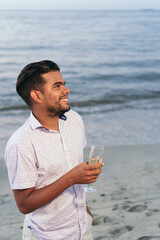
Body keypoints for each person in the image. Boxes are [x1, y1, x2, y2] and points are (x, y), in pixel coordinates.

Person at [4, 60, 103, 240]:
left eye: (64, 84)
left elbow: (73, 166)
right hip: (46, 235)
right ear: (37, 95)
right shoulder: (20, 143)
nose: (66, 90)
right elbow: (24, 205)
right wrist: (72, 178)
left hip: (82, 227)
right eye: (57, 86)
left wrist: (85, 210)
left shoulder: (74, 120)